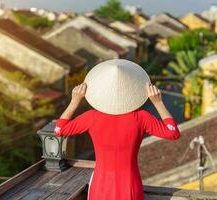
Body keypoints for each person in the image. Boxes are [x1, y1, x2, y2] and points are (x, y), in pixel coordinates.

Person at [54, 59, 181, 200]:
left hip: (100, 187)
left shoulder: (91, 117)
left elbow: (59, 130)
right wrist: (158, 102)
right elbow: (173, 132)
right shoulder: (141, 117)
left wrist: (74, 101)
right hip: (130, 185)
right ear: (132, 90)